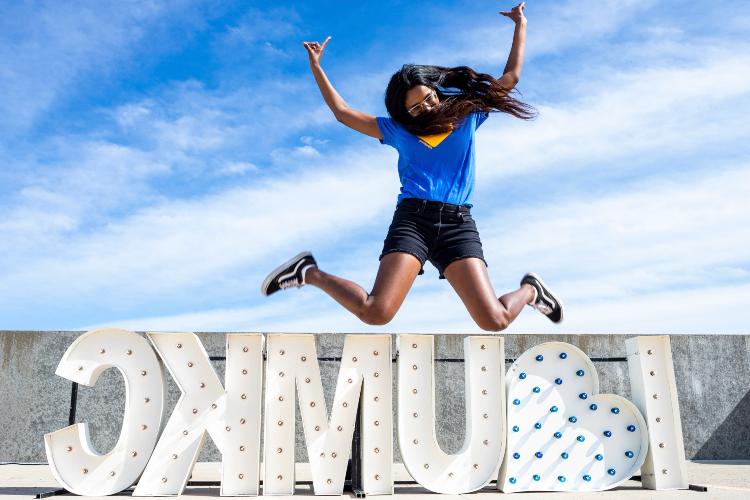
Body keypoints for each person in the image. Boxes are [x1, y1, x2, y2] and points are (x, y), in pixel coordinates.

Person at [261, 2, 564, 330]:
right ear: (405, 113)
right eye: (416, 108)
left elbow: (511, 77)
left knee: (495, 320)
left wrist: (521, 24)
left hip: (457, 224)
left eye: (429, 99)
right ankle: (309, 272)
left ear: (436, 91)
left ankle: (531, 290)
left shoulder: (467, 116)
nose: (426, 107)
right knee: (376, 312)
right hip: (413, 221)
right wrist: (316, 66)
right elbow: (343, 112)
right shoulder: (397, 130)